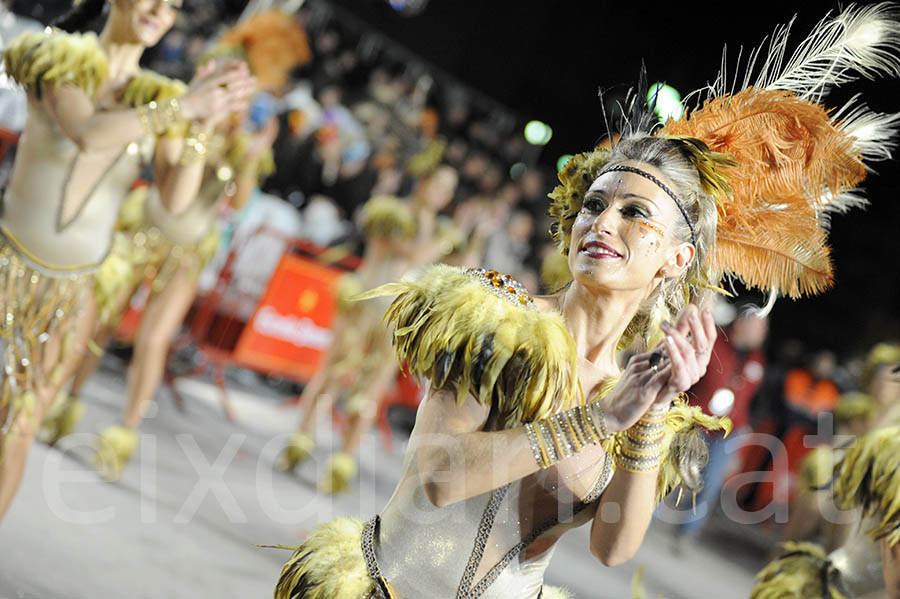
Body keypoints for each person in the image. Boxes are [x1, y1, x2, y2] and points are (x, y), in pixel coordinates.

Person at [273, 5, 900, 597]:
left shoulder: (636, 388)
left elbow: (613, 547)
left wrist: (651, 409)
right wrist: (598, 421)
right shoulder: (495, 318)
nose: (601, 223)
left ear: (677, 258)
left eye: (634, 213)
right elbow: (439, 479)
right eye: (594, 205)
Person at [0, 0, 253, 521]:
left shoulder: (155, 98)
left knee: (18, 428)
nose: (161, 11)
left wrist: (206, 120)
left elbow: (175, 198)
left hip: (67, 297)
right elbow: (89, 132)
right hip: (6, 271)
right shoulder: (56, 57)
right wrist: (187, 106)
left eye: (174, 6)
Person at [674, 307, 767, 539]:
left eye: (763, 329)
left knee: (711, 483)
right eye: (757, 327)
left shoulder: (757, 360)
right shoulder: (713, 343)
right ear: (740, 324)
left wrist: (748, 426)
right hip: (696, 419)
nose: (761, 333)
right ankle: (647, 516)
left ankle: (687, 533)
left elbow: (755, 399)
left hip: (728, 431)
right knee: (674, 470)